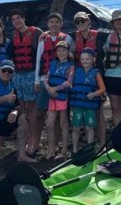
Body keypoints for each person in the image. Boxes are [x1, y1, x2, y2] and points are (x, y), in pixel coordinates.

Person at [35, 12, 74, 152]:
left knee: (61, 119)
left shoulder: (67, 38)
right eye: (51, 22)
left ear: (61, 24)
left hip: (61, 85)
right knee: (40, 112)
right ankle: (37, 143)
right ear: (48, 24)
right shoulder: (43, 38)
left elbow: (71, 57)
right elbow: (39, 59)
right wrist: (37, 81)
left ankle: (57, 145)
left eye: (57, 22)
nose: (54, 24)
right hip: (45, 80)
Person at [70, 11, 109, 145]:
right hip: (80, 80)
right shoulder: (72, 37)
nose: (80, 24)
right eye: (77, 22)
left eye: (83, 21)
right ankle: (86, 141)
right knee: (82, 109)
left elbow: (116, 35)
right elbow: (58, 38)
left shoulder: (101, 36)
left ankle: (102, 143)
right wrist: (44, 34)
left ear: (88, 21)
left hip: (97, 78)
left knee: (99, 111)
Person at [9, 9, 42, 155]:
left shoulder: (36, 33)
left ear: (23, 18)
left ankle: (34, 141)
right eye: (13, 19)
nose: (16, 21)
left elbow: (41, 55)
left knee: (33, 108)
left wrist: (38, 78)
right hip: (18, 75)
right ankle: (26, 138)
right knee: (22, 107)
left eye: (18, 18)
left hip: (31, 73)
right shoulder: (14, 35)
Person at [69, 48, 106, 152]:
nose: (85, 61)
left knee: (89, 128)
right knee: (76, 128)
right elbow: (69, 83)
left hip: (89, 106)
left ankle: (89, 150)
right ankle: (75, 151)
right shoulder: (76, 71)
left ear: (93, 60)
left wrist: (94, 94)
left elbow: (103, 89)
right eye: (82, 59)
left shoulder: (96, 73)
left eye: (87, 59)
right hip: (78, 105)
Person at [43, 40, 74, 159]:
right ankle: (51, 150)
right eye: (59, 50)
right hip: (52, 96)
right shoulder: (53, 63)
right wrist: (49, 88)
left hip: (62, 97)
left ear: (68, 52)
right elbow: (46, 78)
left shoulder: (70, 66)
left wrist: (55, 89)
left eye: (64, 50)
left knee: (63, 123)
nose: (61, 53)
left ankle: (64, 151)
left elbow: (69, 81)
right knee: (50, 124)